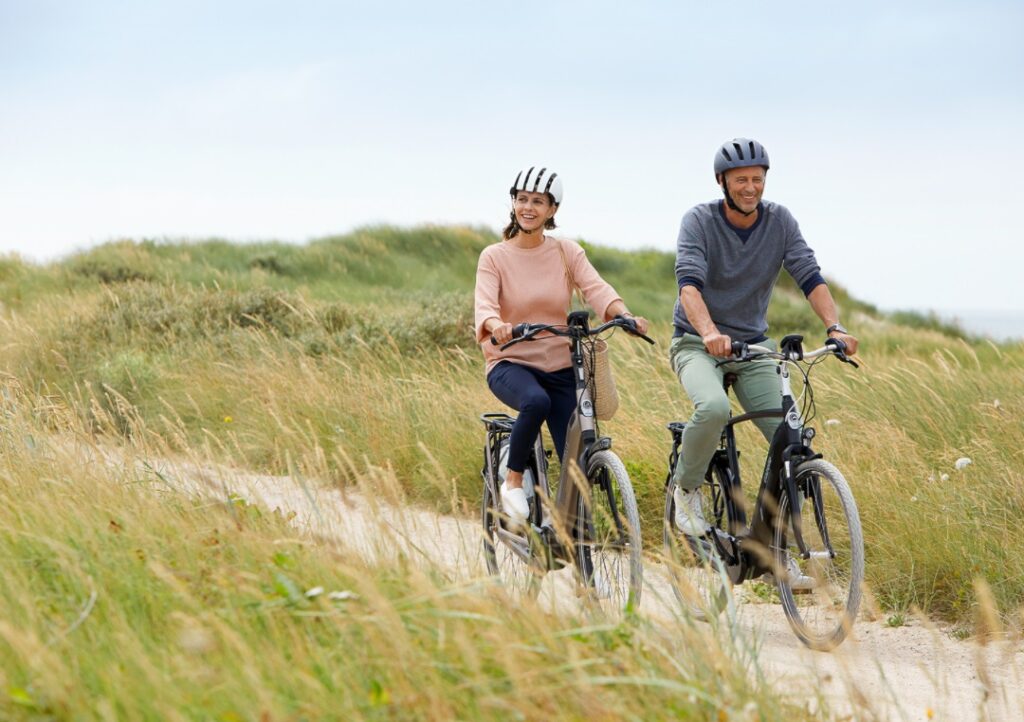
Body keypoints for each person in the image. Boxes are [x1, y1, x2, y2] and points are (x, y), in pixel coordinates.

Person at [670, 138, 859, 547]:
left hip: (754, 347)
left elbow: (809, 275)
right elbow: (689, 285)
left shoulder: (780, 222)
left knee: (791, 441)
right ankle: (686, 491)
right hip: (697, 342)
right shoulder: (699, 221)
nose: (750, 187)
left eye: (757, 179)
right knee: (714, 407)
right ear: (722, 181)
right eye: (741, 180)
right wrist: (709, 334)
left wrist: (835, 327)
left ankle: (779, 547)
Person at [475, 166, 649, 523]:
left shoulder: (566, 252)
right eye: (522, 199)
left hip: (559, 364)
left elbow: (596, 289)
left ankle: (565, 527)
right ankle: (513, 479)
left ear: (552, 210)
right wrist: (498, 326)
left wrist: (624, 315)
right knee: (535, 401)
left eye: (538, 202)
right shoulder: (494, 256)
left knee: (576, 444)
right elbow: (485, 307)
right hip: (511, 363)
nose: (528, 207)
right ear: (513, 203)